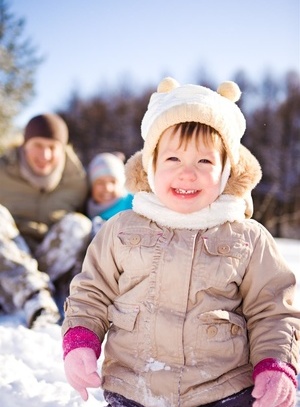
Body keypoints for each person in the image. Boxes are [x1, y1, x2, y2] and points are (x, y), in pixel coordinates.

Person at [61, 78, 300, 407]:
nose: (187, 173)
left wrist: (276, 363)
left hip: (224, 390)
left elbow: (273, 311)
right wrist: (80, 341)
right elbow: (91, 294)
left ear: (226, 172)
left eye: (204, 162)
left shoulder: (248, 238)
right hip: (133, 388)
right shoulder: (120, 230)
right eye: (173, 160)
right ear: (151, 166)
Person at [0, 113, 91, 328]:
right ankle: (33, 296)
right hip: (7, 265)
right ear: (24, 145)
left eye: (52, 146)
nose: (45, 154)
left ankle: (60, 298)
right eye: (38, 145)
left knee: (79, 225)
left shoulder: (76, 181)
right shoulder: (3, 171)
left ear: (63, 148)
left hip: (50, 266)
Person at [86, 152, 133, 237]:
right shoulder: (87, 210)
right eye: (100, 182)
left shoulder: (134, 204)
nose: (107, 188)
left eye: (113, 182)